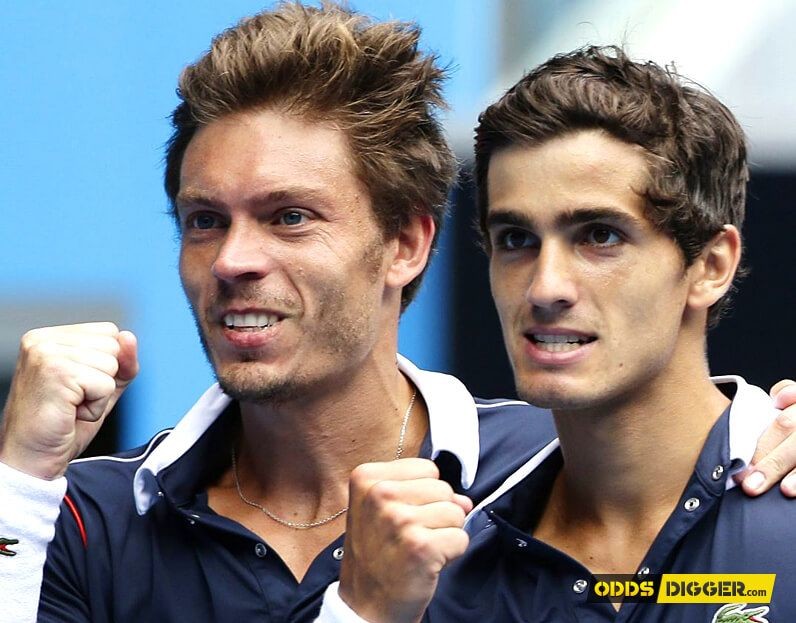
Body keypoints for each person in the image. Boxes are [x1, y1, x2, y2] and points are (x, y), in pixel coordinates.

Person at [0, 8, 794, 622]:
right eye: (205, 219)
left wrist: (761, 435)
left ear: (409, 242)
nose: (234, 259)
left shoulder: (533, 476)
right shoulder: (87, 513)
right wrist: (16, 482)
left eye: (289, 217)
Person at [373, 46, 791, 622]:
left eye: (599, 236)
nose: (546, 288)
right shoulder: (437, 563)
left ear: (711, 265)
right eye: (517, 239)